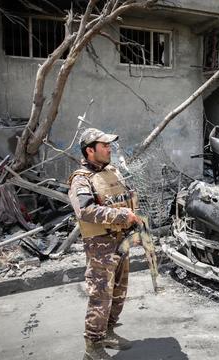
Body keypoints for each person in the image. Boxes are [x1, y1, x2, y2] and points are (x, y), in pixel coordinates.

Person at [68, 128, 141, 359]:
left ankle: (108, 332)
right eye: (104, 145)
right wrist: (122, 217)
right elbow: (86, 210)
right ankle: (93, 346)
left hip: (121, 242)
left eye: (109, 145)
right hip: (101, 247)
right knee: (100, 296)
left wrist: (132, 224)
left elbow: (125, 199)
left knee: (119, 292)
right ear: (90, 150)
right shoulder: (81, 179)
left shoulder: (112, 171)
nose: (109, 149)